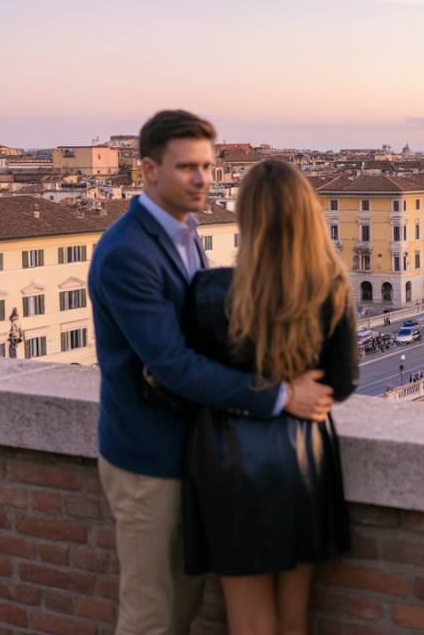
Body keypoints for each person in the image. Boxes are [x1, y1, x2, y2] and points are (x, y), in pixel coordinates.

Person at [90, 110, 332, 635]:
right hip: (147, 458)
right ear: (148, 170)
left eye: (207, 165)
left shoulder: (185, 234)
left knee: (185, 607)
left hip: (191, 452)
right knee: (153, 615)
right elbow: (172, 364)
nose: (202, 178)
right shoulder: (126, 254)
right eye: (186, 167)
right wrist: (279, 396)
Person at [181, 159, 357, 633]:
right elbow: (341, 383)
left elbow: (189, 378)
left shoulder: (208, 291)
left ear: (246, 218)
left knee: (249, 619)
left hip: (228, 460)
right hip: (303, 460)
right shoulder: (331, 288)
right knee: (294, 619)